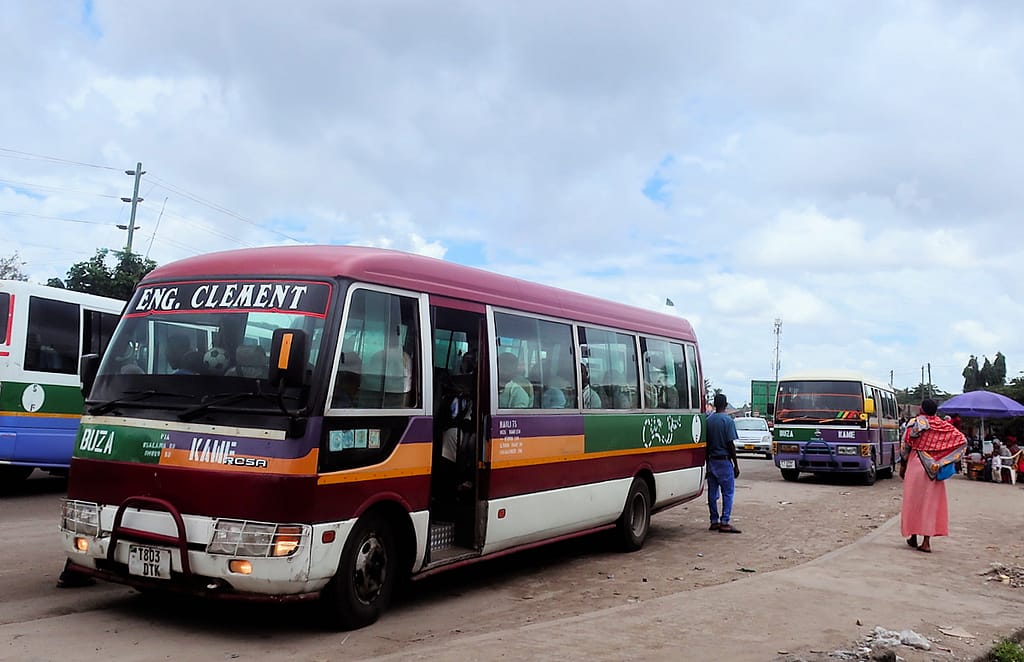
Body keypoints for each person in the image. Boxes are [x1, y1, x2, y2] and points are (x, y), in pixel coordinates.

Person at [899, 398, 967, 553]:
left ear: (921, 409)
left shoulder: (914, 423)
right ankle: (926, 542)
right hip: (933, 468)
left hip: (916, 464)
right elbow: (961, 441)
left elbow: (905, 446)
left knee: (913, 501)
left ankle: (913, 535)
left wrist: (903, 465)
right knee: (930, 504)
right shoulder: (943, 425)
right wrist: (944, 459)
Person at [706, 392, 741, 533]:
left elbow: (705, 444)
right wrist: (736, 464)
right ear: (725, 405)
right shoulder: (728, 421)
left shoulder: (708, 421)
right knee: (728, 493)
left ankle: (714, 521)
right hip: (724, 462)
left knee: (712, 494)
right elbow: (730, 444)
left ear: (714, 405)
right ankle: (725, 521)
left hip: (711, 462)